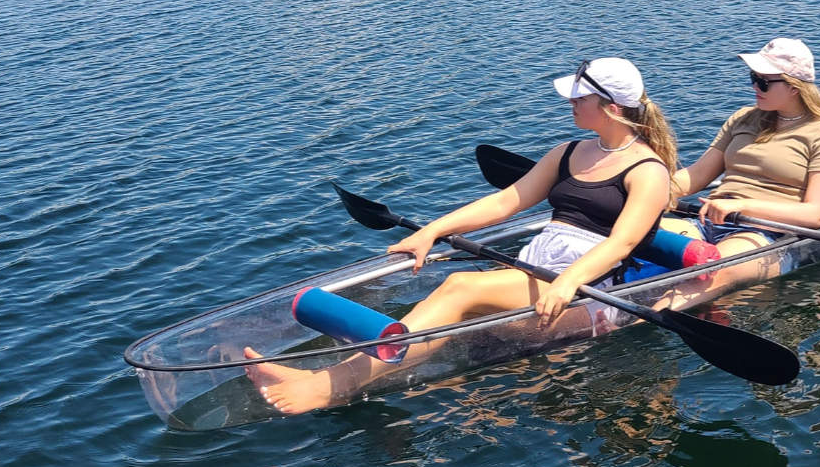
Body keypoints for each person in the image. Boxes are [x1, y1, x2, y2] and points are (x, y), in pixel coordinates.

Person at [245, 57, 677, 413]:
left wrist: (566, 283)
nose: (569, 104)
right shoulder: (568, 151)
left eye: (578, 98)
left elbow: (621, 243)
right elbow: (506, 201)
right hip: (539, 266)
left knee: (458, 287)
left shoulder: (648, 171)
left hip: (586, 288)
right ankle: (348, 373)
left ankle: (328, 386)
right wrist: (432, 231)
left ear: (610, 107)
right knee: (450, 302)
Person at [668, 38, 820, 258]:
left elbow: (816, 214)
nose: (754, 86)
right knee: (631, 237)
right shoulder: (743, 118)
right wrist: (656, 190)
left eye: (764, 82)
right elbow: (697, 174)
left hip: (765, 232)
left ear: (794, 87)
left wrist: (743, 206)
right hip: (711, 219)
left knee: (709, 271)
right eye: (753, 78)